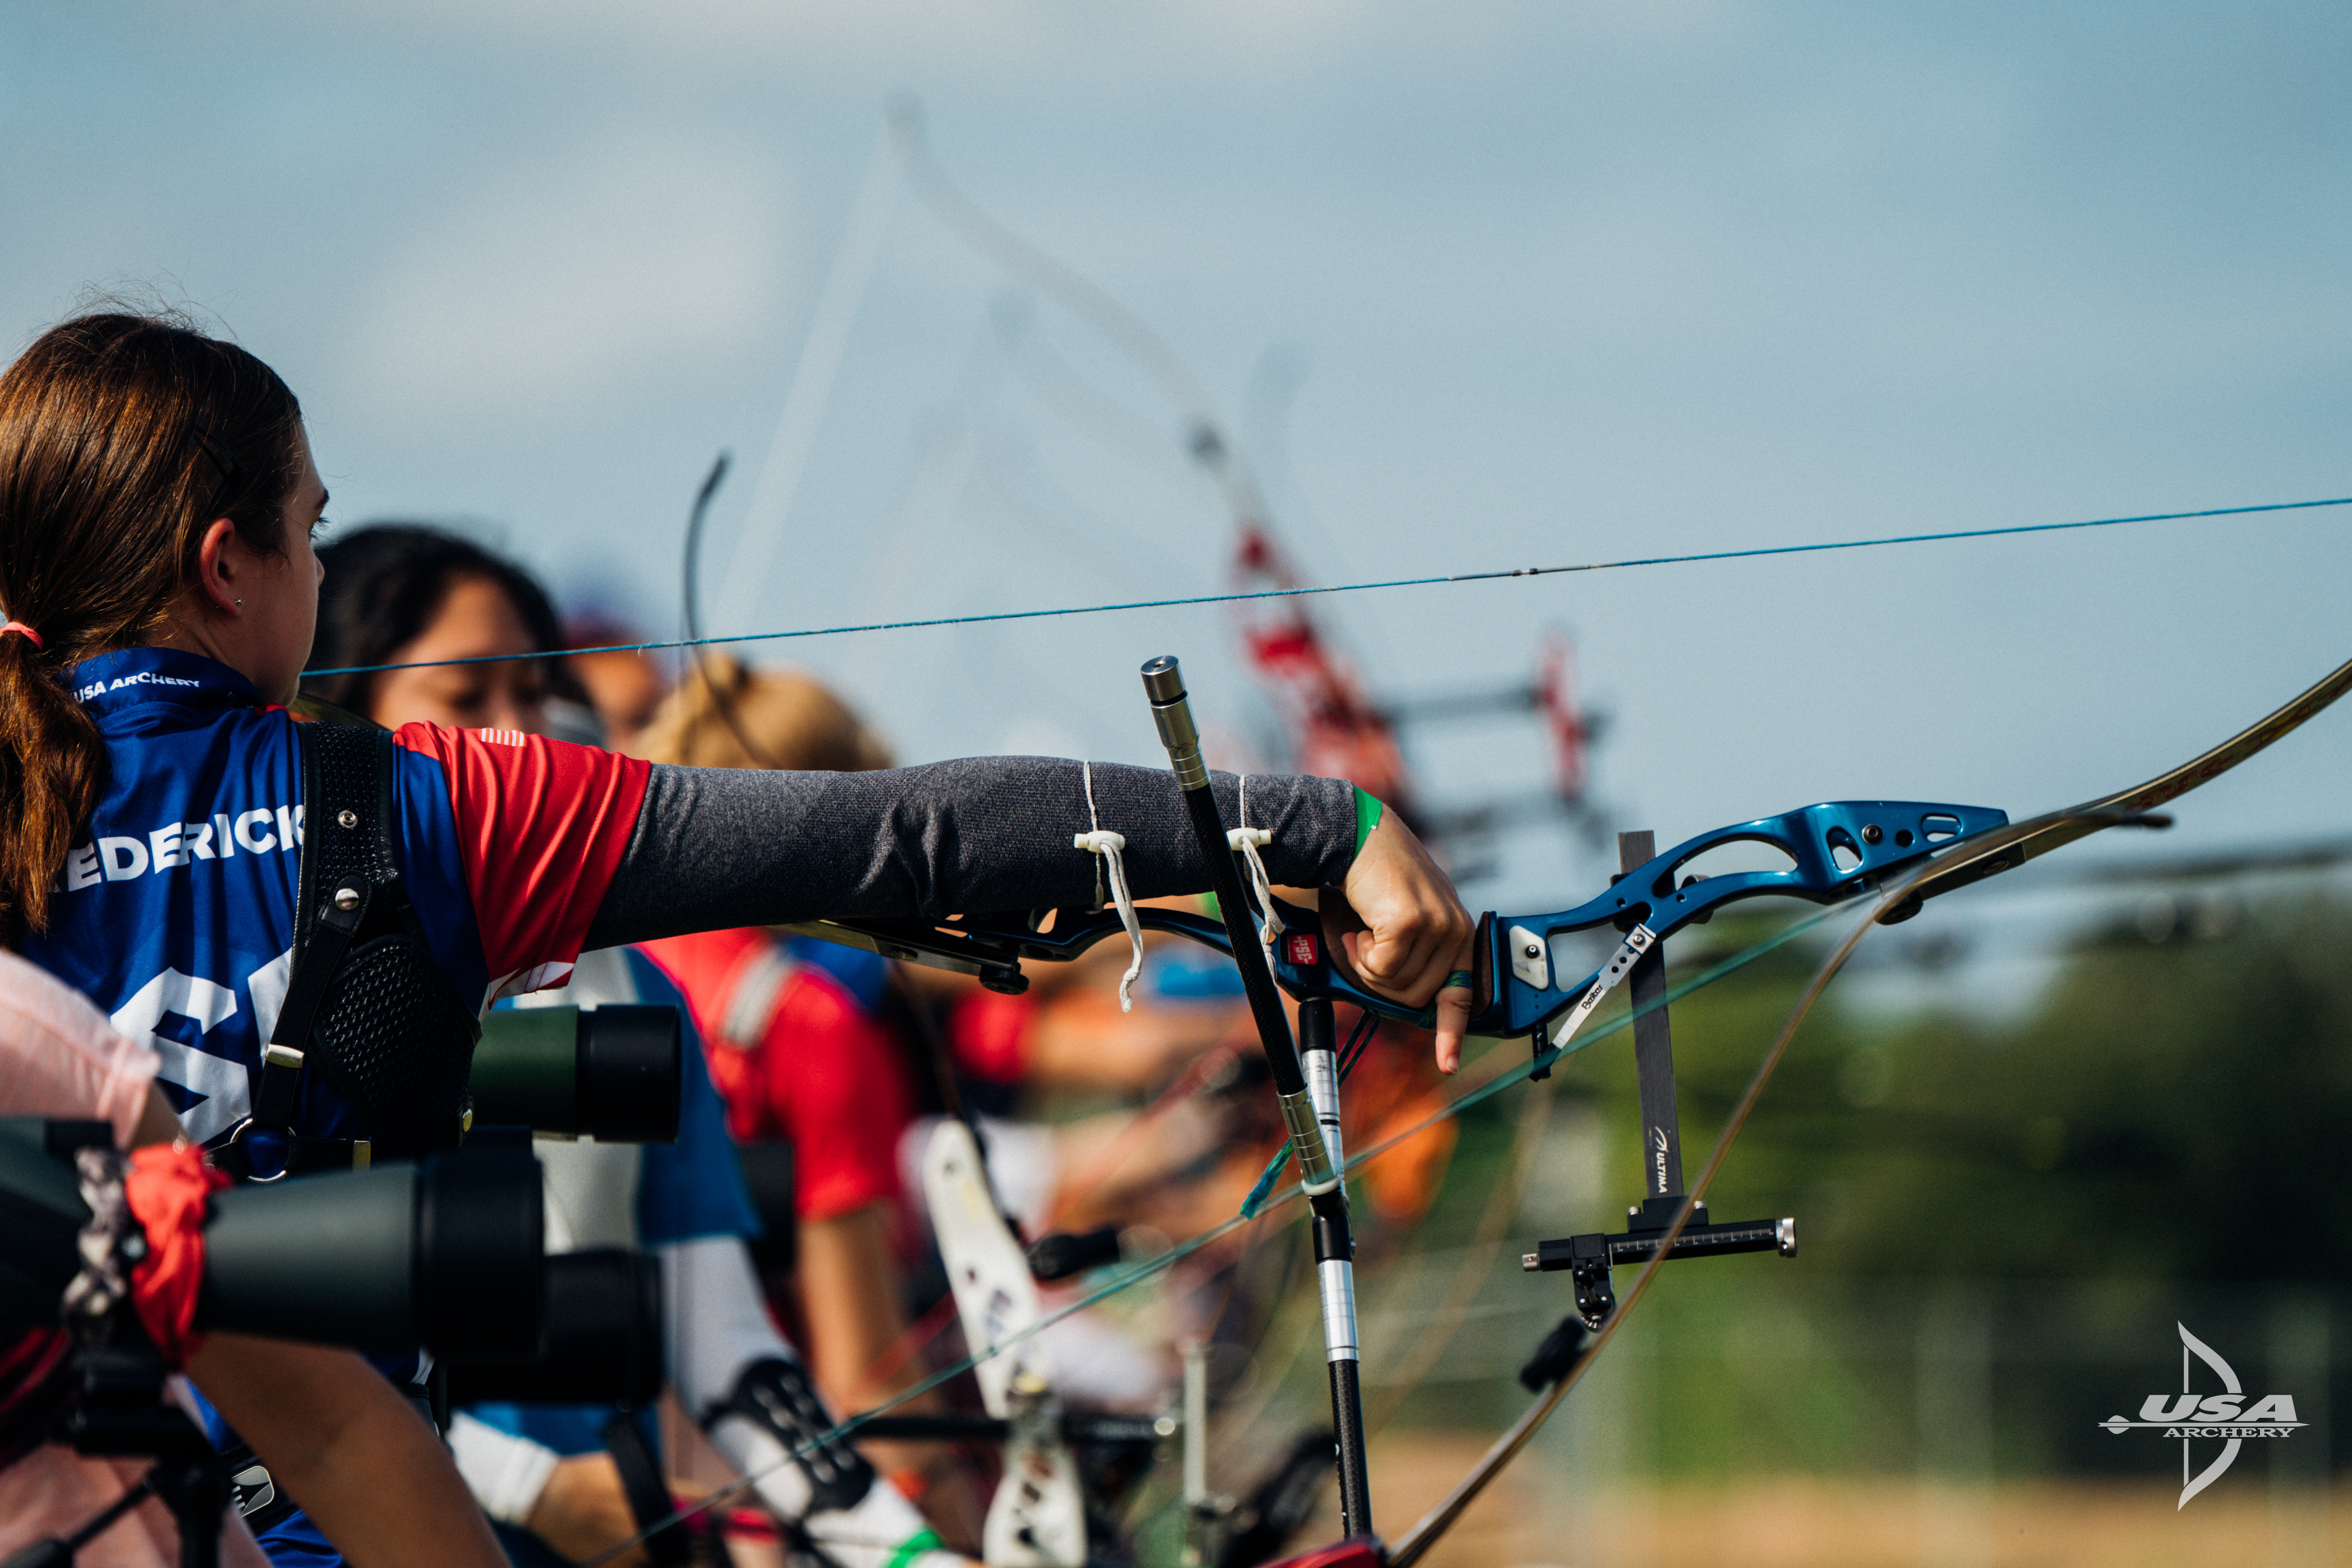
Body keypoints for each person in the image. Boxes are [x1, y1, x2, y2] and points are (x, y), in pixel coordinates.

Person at [0, 309, 1475, 1564]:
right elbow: (906, 837)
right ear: (223, 565)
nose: (316, 575)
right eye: (309, 529)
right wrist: (1315, 829)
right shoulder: (425, 807)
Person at [307, 523, 965, 1566]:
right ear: (338, 724)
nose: (519, 735)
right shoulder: (283, 1001)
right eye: (467, 699)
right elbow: (259, 1349)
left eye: (535, 696)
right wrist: (533, 1488)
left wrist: (912, 1556)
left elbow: (734, 1358)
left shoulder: (629, 984)